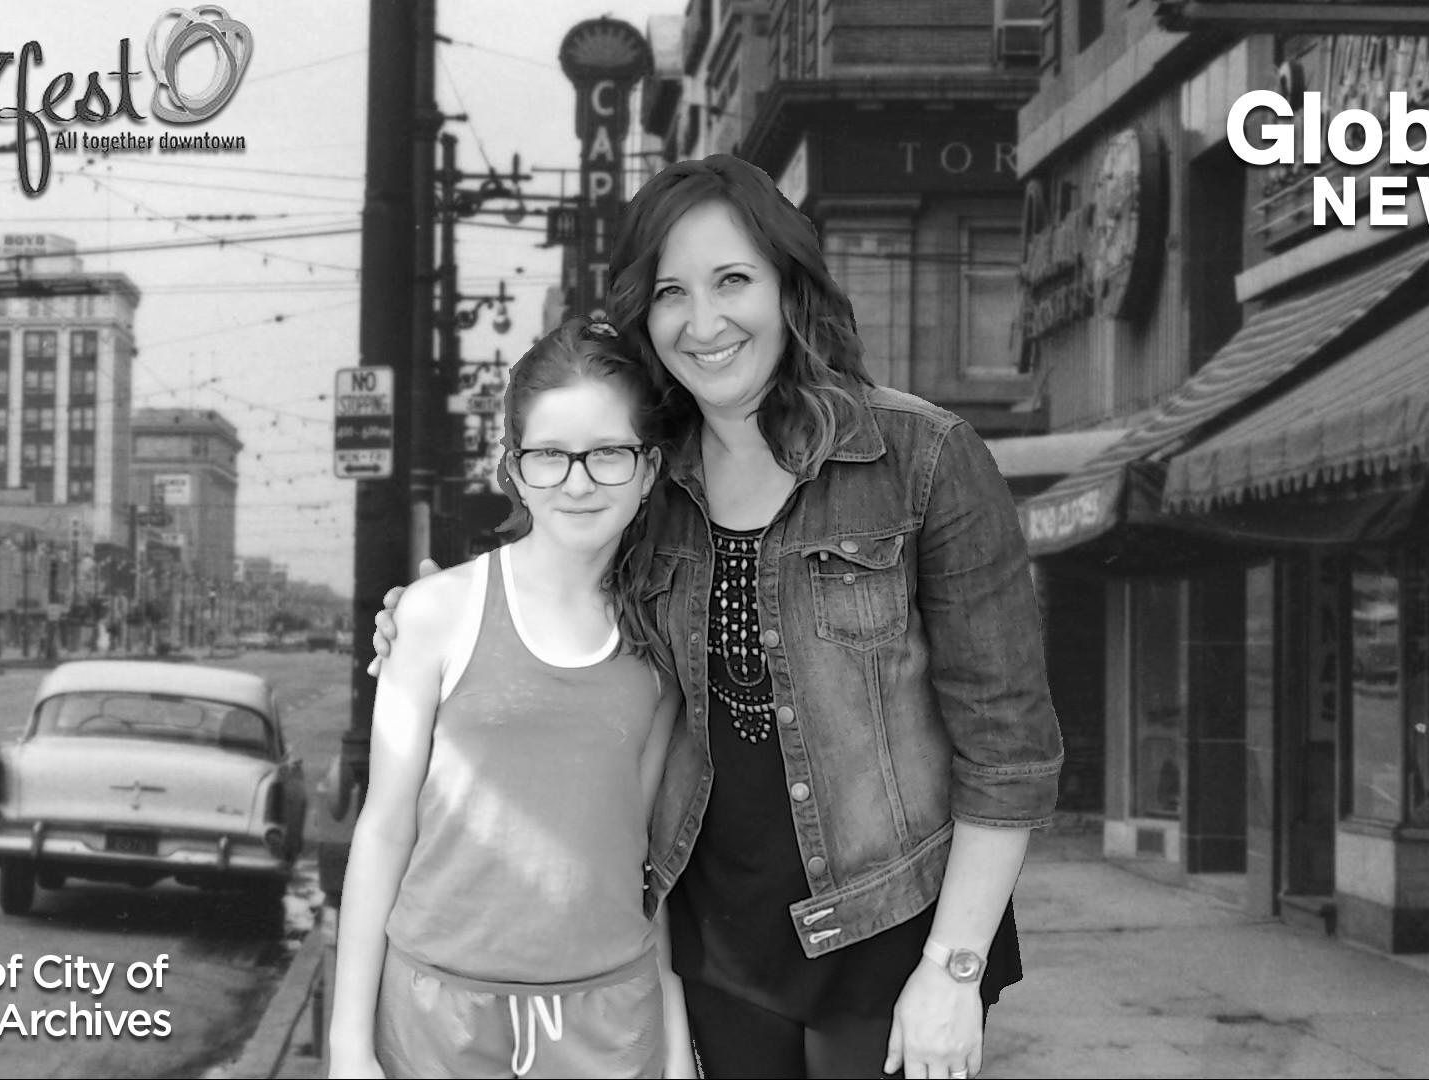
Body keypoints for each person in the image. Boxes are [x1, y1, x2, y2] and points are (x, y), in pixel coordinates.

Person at [374, 155, 1063, 1079]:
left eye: (732, 280)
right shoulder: (648, 484)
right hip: (715, 952)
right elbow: (545, 603)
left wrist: (955, 967)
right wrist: (421, 621)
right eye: (671, 293)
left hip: (894, 937)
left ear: (788, 285)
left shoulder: (924, 458)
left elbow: (1010, 748)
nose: (703, 323)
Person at [329, 318, 697, 1080]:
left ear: (649, 469)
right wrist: (347, 1046)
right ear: (515, 471)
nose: (578, 482)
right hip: (438, 1015)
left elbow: (642, 858)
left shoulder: (661, 644)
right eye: (550, 455)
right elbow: (384, 831)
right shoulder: (436, 614)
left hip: (608, 1016)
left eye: (608, 453)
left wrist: (674, 1038)